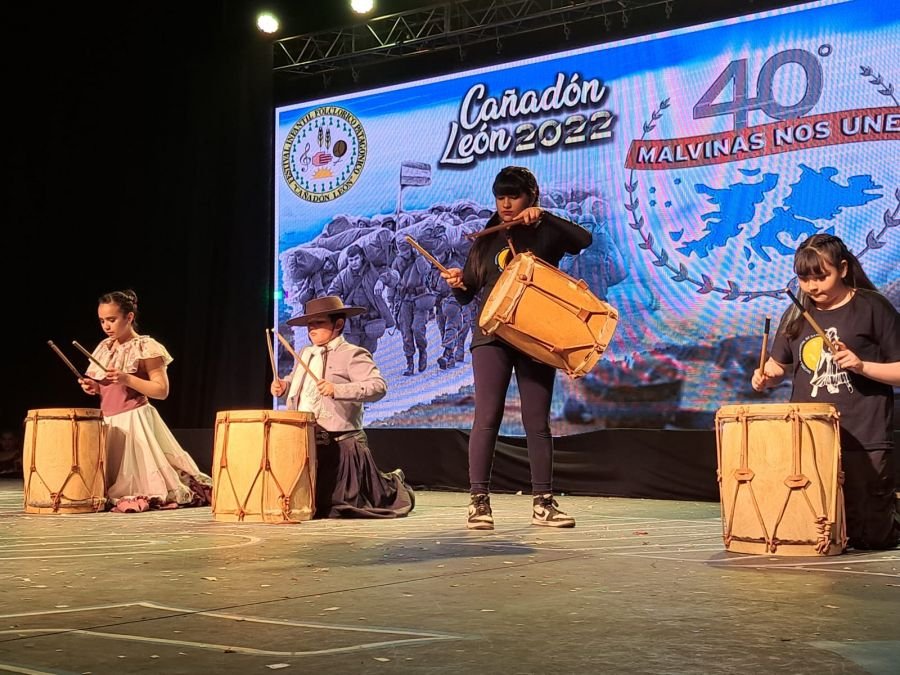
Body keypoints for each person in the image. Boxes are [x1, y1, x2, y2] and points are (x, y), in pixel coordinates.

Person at [441, 166, 592, 529]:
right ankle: (479, 502)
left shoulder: (542, 229)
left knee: (537, 421)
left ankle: (544, 502)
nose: (506, 204)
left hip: (535, 334)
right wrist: (458, 283)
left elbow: (583, 240)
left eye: (514, 196)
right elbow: (470, 292)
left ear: (531, 196)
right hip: (492, 336)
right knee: (487, 416)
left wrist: (544, 216)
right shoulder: (487, 237)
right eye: (500, 196)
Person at [752, 234, 900, 550]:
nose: (812, 287)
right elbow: (778, 367)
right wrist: (766, 376)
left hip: (864, 435)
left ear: (843, 269)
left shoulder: (871, 307)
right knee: (815, 532)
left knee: (872, 537)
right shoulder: (796, 313)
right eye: (804, 279)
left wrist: (862, 366)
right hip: (811, 437)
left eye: (821, 277)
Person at [271, 295, 415, 518]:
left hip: (341, 446)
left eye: (319, 323)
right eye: (310, 324)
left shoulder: (352, 354)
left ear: (338, 324)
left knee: (344, 507)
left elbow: (378, 387)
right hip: (307, 442)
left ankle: (394, 484)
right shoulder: (306, 353)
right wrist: (284, 385)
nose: (312, 329)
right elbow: (296, 380)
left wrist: (338, 390)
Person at [79, 289, 212, 512]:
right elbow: (108, 389)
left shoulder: (146, 347)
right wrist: (94, 387)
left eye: (112, 320)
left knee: (138, 483)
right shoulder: (104, 348)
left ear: (129, 317)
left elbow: (161, 390)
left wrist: (126, 378)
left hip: (135, 421)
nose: (106, 326)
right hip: (109, 423)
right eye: (102, 321)